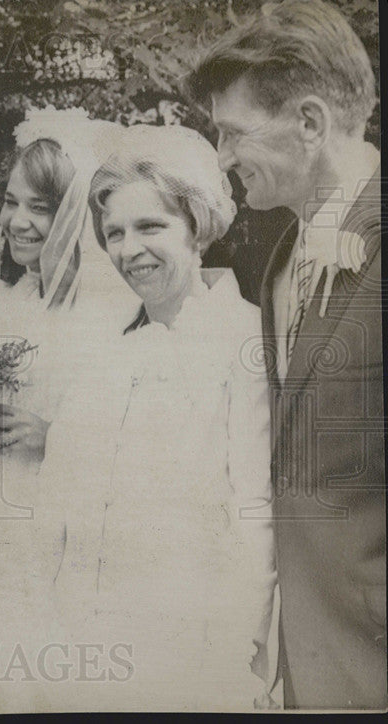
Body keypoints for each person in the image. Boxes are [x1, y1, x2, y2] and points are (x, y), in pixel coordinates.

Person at [37, 124, 277, 710]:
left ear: (197, 226)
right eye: (114, 232)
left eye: (150, 226)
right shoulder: (110, 348)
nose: (128, 250)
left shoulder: (244, 340)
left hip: (194, 649)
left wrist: (231, 652)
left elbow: (256, 512)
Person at [189, 0, 384, 709]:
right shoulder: (277, 259)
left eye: (232, 133)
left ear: (309, 122)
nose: (221, 157)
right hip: (300, 661)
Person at [0, 108, 135, 713]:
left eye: (40, 208)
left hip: (61, 534)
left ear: (75, 215)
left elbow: (134, 432)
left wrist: (56, 437)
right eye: (10, 201)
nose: (17, 221)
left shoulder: (111, 310)